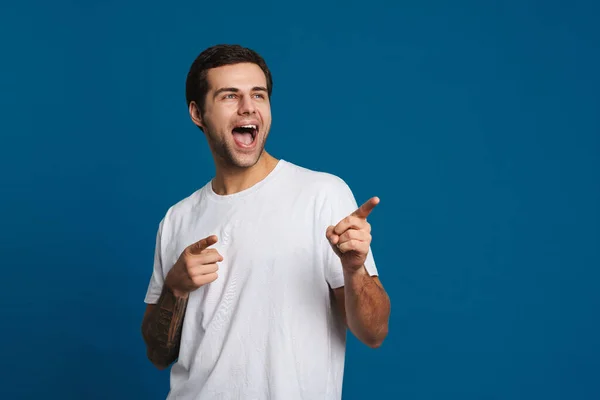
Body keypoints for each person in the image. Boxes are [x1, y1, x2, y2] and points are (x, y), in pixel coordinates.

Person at [141, 44, 391, 400]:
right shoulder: (177, 219)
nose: (248, 107)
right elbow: (157, 355)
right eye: (230, 96)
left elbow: (374, 333)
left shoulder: (321, 194)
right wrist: (175, 288)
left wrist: (353, 271)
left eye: (258, 94)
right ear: (198, 113)